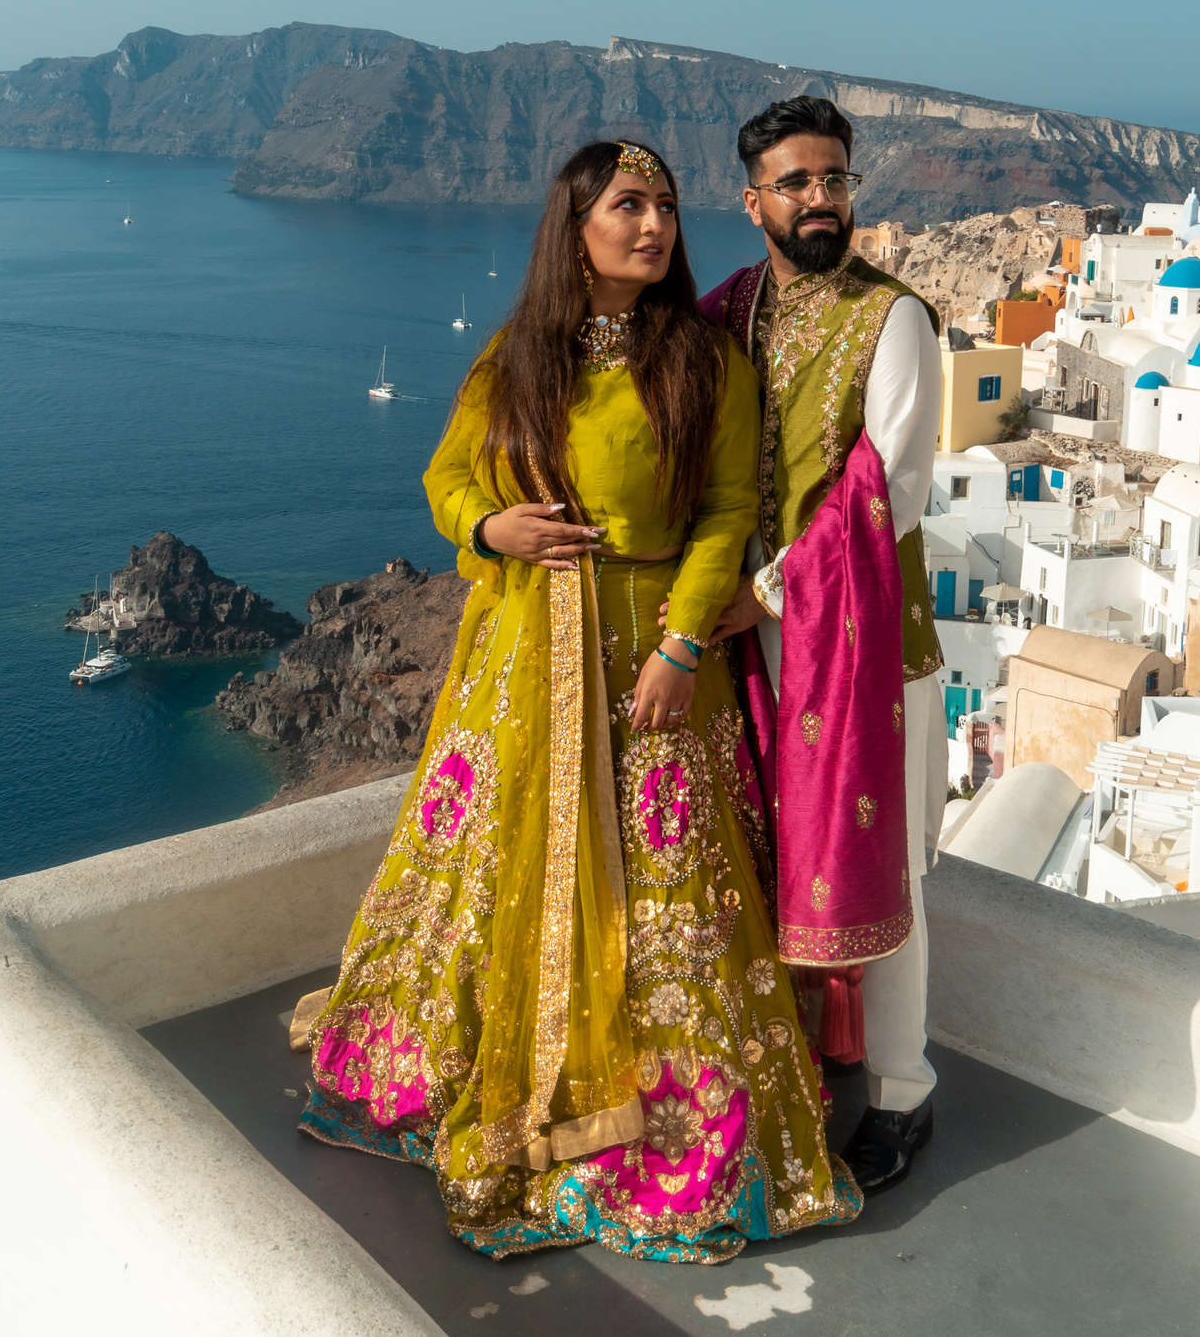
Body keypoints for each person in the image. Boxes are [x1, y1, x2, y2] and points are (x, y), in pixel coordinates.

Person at [296, 140, 862, 1263]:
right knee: (499, 870)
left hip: (652, 656)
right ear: (576, 225)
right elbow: (446, 477)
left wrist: (682, 645)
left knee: (663, 896)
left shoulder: (701, 359)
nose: (653, 225)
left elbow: (724, 513)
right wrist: (487, 526)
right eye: (627, 205)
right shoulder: (518, 353)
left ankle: (649, 1129)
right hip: (518, 656)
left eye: (664, 206)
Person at [697, 96, 947, 1194]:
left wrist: (762, 590)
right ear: (751, 200)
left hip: (863, 649)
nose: (819, 199)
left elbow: (891, 491)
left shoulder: (894, 320)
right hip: (745, 644)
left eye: (834, 179)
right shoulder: (726, 311)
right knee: (758, 856)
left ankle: (902, 1090)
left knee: (883, 867)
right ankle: (783, 1057)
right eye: (795, 182)